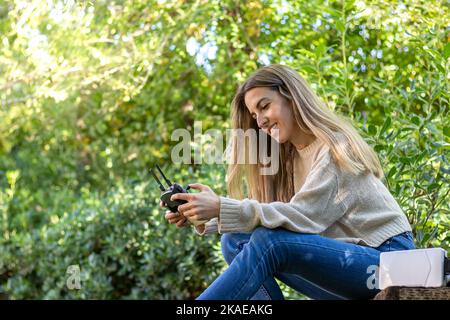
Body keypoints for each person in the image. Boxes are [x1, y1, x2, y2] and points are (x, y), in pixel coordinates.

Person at [161, 64, 415, 300]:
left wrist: (220, 207)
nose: (259, 121)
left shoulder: (334, 149)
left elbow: (304, 217)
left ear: (291, 97)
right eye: (253, 114)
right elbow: (276, 217)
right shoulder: (290, 160)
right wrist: (204, 215)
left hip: (389, 262)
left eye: (264, 106)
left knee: (269, 242)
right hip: (352, 266)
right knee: (234, 240)